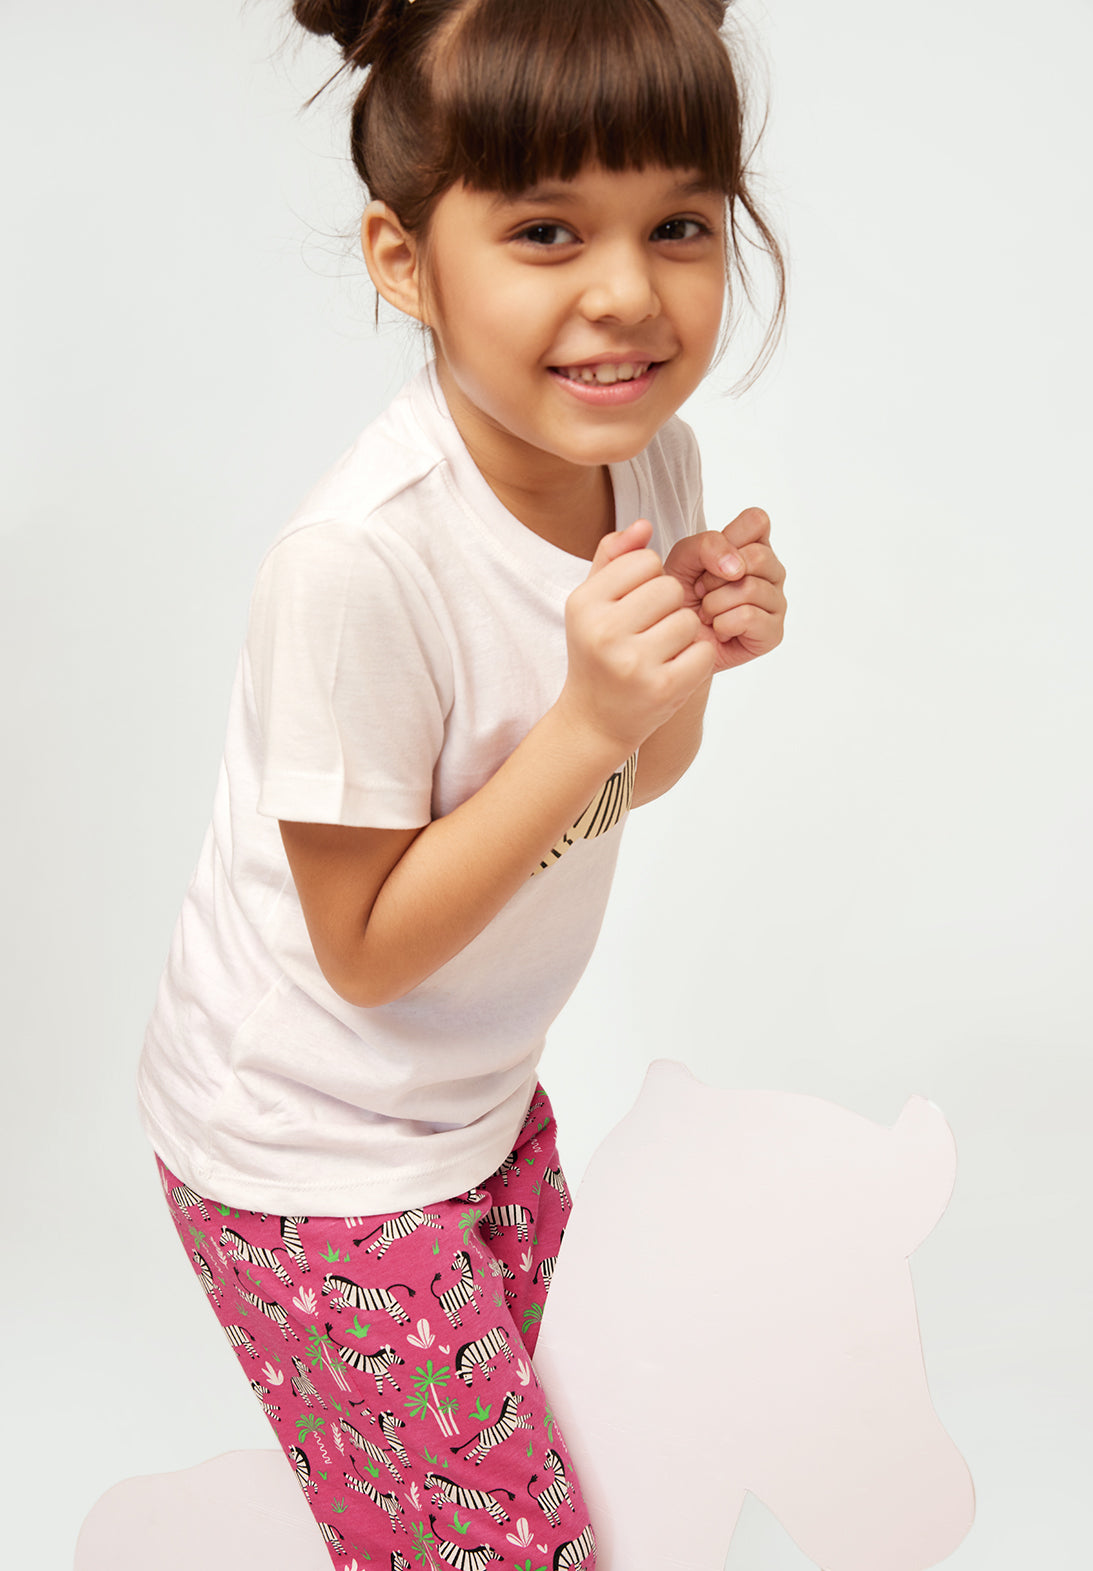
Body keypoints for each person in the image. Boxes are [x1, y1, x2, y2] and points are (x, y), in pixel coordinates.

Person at [137, 0, 788, 1563]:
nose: (626, 295)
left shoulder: (651, 462)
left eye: (680, 222)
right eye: (549, 230)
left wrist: (679, 669)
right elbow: (363, 949)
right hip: (307, 1156)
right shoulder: (358, 565)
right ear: (404, 260)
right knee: (504, 1549)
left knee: (484, 1513)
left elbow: (644, 780)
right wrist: (584, 718)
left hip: (478, 1108)